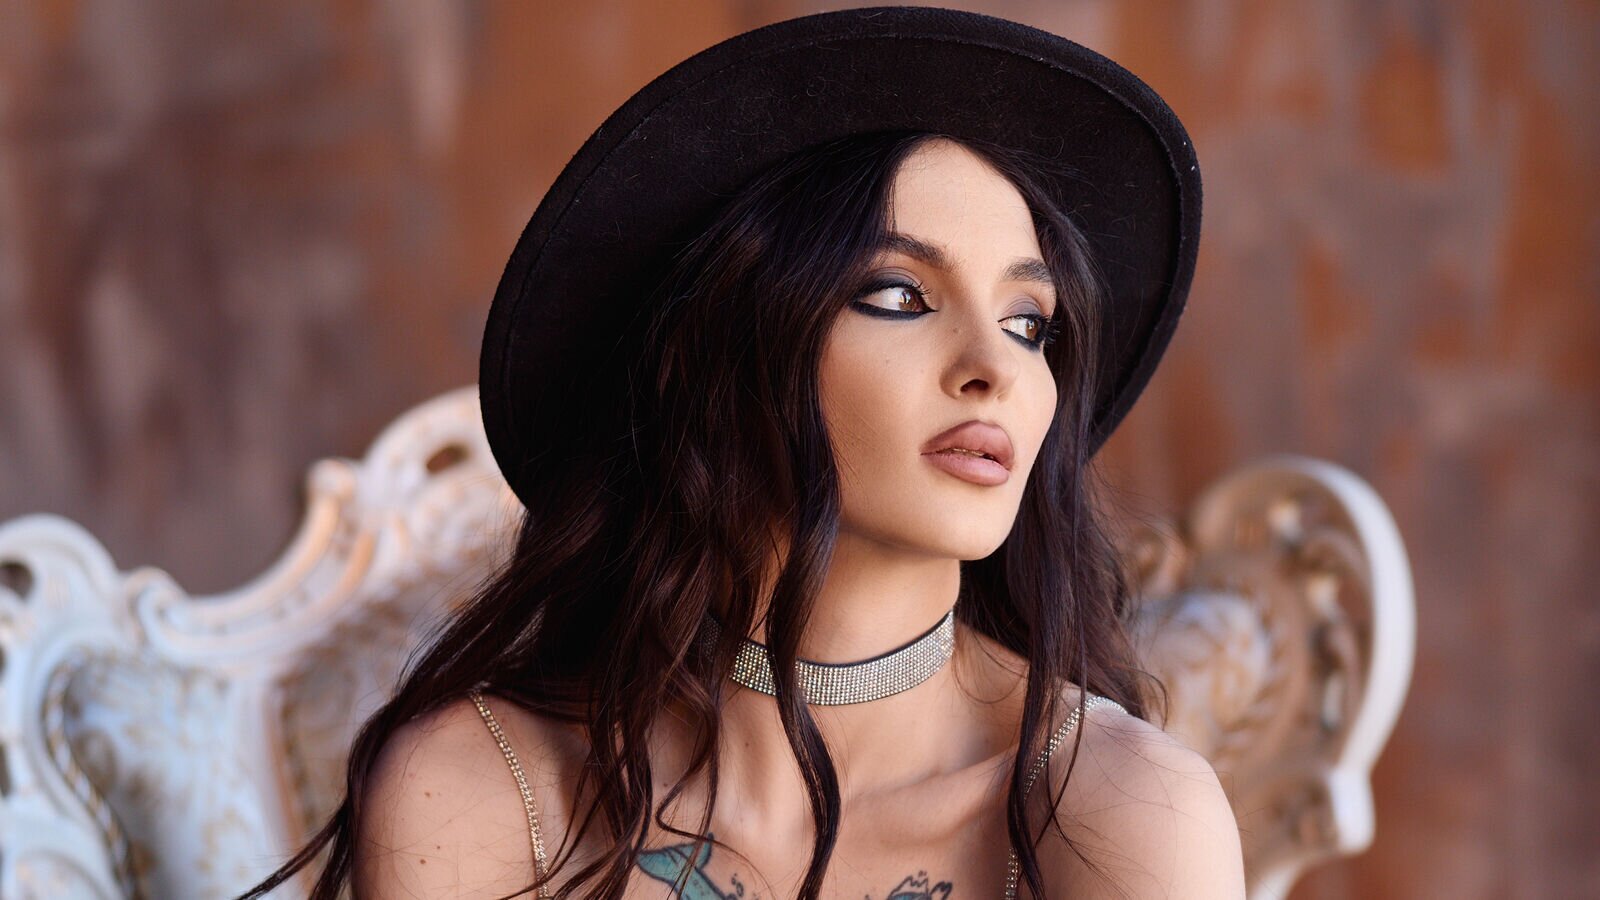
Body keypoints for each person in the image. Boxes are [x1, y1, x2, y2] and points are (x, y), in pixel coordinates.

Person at [239, 7, 1244, 899]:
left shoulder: (1120, 809)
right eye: (899, 296)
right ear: (719, 354)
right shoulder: (483, 789)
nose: (997, 369)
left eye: (1030, 323)